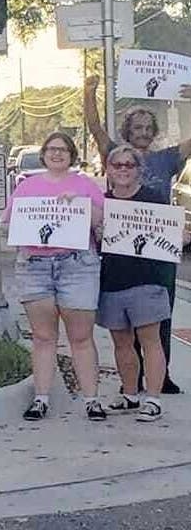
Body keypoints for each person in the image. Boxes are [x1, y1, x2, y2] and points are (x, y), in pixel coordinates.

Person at [84, 76, 191, 393]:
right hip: (120, 248)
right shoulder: (116, 154)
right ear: (127, 131)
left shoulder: (167, 158)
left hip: (158, 249)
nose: (143, 132)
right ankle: (133, 379)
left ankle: (162, 376)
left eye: (147, 128)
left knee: (161, 315)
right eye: (137, 127)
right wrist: (89, 93)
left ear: (154, 132)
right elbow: (94, 127)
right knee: (125, 320)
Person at [2, 132, 106, 421]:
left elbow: (102, 220)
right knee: (43, 336)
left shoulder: (85, 184)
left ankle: (92, 400)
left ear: (72, 155)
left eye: (63, 149)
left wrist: (81, 204)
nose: (57, 153)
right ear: (44, 154)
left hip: (77, 265)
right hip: (35, 266)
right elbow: (9, 220)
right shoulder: (27, 186)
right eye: (51, 149)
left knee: (81, 336)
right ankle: (41, 399)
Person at [96, 145, 177, 422]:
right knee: (121, 342)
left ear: (138, 170)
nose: (123, 170)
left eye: (129, 165)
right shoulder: (102, 203)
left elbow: (169, 236)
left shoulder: (153, 199)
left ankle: (153, 399)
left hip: (148, 281)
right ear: (108, 170)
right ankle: (130, 395)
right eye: (117, 165)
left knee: (150, 340)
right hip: (112, 281)